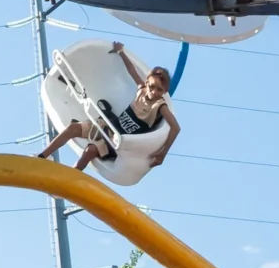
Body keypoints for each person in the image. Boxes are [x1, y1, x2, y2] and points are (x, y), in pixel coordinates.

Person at [38, 45, 179, 175]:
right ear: (147, 82)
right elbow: (132, 71)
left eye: (159, 90)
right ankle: (43, 156)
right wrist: (121, 52)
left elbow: (175, 128)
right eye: (152, 86)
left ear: (165, 91)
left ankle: (68, 177)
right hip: (109, 126)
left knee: (90, 151)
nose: (154, 92)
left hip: (116, 141)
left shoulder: (159, 107)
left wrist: (163, 153)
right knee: (73, 128)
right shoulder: (142, 89)